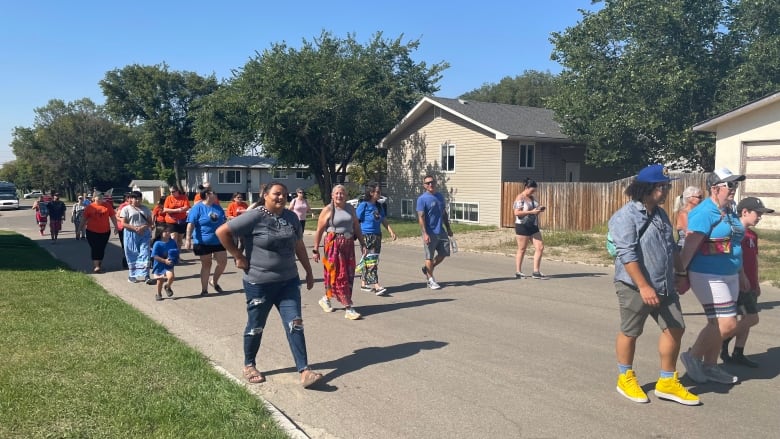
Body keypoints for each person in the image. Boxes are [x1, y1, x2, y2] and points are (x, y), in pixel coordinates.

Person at [215, 181, 322, 388]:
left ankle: (305, 370)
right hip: (259, 283)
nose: (281, 197)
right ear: (265, 195)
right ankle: (249, 364)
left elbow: (299, 245)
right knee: (256, 326)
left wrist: (308, 271)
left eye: (284, 194)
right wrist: (237, 255)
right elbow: (222, 232)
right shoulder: (254, 216)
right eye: (276, 194)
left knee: (295, 324)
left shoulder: (291, 217)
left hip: (288, 282)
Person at [608, 164, 699, 405]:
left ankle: (667, 382)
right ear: (647, 189)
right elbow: (627, 254)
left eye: (668, 186)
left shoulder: (660, 214)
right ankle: (625, 378)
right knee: (631, 331)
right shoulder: (625, 217)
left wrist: (680, 272)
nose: (668, 190)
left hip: (665, 284)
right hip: (634, 286)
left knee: (675, 328)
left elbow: (670, 246)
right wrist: (644, 286)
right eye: (663, 186)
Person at [679, 168, 746, 385]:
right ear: (715, 188)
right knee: (727, 325)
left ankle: (710, 366)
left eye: (735, 185)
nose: (734, 189)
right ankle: (692, 356)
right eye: (730, 185)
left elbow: (735, 243)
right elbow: (689, 246)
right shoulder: (704, 212)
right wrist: (680, 274)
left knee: (715, 323)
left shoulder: (729, 209)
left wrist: (741, 273)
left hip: (729, 273)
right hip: (708, 273)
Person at [720, 197, 775, 368]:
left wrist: (756, 282)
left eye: (761, 214)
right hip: (736, 282)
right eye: (757, 213)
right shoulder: (733, 233)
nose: (760, 217)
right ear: (744, 212)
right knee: (751, 318)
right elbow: (729, 257)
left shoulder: (753, 235)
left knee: (746, 319)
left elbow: (755, 260)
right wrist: (741, 275)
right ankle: (717, 341)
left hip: (750, 283)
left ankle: (738, 352)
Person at [312, 184, 367, 320]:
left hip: (348, 245)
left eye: (342, 193)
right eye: (336, 193)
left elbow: (356, 226)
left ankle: (326, 298)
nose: (339, 196)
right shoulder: (328, 210)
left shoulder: (350, 208)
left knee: (347, 274)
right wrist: (315, 249)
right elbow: (319, 230)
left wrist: (362, 243)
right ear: (332, 195)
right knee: (337, 274)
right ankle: (348, 307)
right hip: (333, 245)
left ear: (346, 195)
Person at [185, 187, 228, 296]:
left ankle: (214, 281)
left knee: (222, 262)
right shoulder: (197, 208)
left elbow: (224, 223)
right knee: (206, 264)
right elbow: (190, 224)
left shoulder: (218, 208)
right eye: (214, 193)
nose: (216, 195)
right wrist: (188, 239)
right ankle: (204, 290)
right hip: (202, 242)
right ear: (207, 194)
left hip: (218, 240)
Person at [357, 183, 397, 295]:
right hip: (366, 235)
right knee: (371, 260)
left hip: (377, 235)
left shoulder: (379, 206)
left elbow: (383, 220)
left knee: (369, 260)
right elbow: (356, 220)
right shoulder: (363, 205)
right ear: (371, 193)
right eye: (378, 192)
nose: (380, 194)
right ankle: (376, 285)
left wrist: (391, 231)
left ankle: (364, 284)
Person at [417, 175, 453, 290]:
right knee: (429, 256)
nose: (430, 184)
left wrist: (448, 228)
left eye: (432, 182)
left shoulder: (440, 197)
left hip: (441, 231)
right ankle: (430, 280)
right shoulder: (422, 199)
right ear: (424, 186)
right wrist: (425, 233)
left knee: (444, 254)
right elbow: (421, 217)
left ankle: (428, 268)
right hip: (430, 232)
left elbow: (444, 214)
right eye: (427, 183)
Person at [513, 177, 548, 279]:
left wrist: (539, 209)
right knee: (522, 249)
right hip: (522, 226)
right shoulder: (520, 198)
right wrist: (531, 212)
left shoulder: (532, 198)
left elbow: (534, 208)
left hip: (533, 225)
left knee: (540, 247)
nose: (533, 192)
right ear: (526, 187)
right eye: (532, 190)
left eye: (535, 190)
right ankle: (518, 271)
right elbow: (517, 213)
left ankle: (536, 271)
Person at [80, 192, 118, 273]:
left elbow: (113, 217)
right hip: (92, 231)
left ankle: (99, 264)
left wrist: (116, 226)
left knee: (101, 248)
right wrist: (79, 229)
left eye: (101, 198)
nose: (100, 199)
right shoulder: (90, 207)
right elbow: (84, 218)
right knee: (95, 248)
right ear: (94, 198)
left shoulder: (107, 205)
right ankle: (96, 266)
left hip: (105, 231)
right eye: (98, 198)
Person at [120, 191, 153, 283]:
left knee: (145, 253)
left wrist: (143, 227)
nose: (137, 200)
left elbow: (150, 222)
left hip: (144, 233)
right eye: (135, 198)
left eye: (139, 198)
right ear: (131, 199)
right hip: (130, 234)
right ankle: (132, 275)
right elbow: (123, 223)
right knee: (132, 253)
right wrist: (134, 228)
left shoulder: (145, 209)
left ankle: (146, 275)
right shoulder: (126, 209)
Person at [150, 224, 178, 301]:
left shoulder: (172, 242)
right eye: (165, 231)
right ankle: (158, 293)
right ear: (160, 233)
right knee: (160, 281)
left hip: (169, 263)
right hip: (159, 264)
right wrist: (164, 261)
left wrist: (175, 258)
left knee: (171, 277)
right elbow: (154, 256)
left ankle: (167, 287)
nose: (168, 233)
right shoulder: (157, 243)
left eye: (169, 231)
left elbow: (175, 251)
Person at [163, 185, 191, 249]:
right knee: (173, 237)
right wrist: (177, 210)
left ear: (177, 191)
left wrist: (179, 210)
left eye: (173, 192)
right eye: (170, 192)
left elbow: (186, 207)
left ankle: (177, 254)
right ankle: (172, 254)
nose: (171, 193)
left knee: (180, 239)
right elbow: (165, 209)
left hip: (182, 220)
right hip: (171, 221)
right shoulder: (168, 198)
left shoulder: (184, 197)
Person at [115, 193, 131, 269]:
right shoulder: (123, 206)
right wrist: (123, 220)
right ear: (125, 198)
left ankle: (130, 261)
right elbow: (117, 216)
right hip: (123, 228)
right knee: (125, 245)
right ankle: (126, 261)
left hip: (131, 227)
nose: (130, 198)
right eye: (129, 197)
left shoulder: (134, 205)